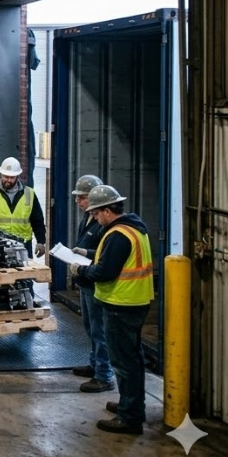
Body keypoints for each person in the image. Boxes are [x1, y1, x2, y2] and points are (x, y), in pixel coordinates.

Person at [66, 185, 153, 435]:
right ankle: (130, 406)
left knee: (124, 363)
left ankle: (130, 418)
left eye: (96, 214)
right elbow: (112, 258)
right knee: (132, 360)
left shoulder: (118, 234)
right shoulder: (133, 228)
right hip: (134, 303)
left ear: (107, 211)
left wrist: (80, 269)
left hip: (121, 305)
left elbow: (105, 271)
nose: (94, 219)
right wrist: (88, 254)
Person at [69, 174, 112, 393]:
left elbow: (105, 254)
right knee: (90, 327)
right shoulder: (87, 219)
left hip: (95, 282)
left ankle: (104, 375)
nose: (78, 201)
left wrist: (86, 253)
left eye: (82, 197)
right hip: (85, 281)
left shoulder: (103, 223)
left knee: (99, 330)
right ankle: (95, 365)